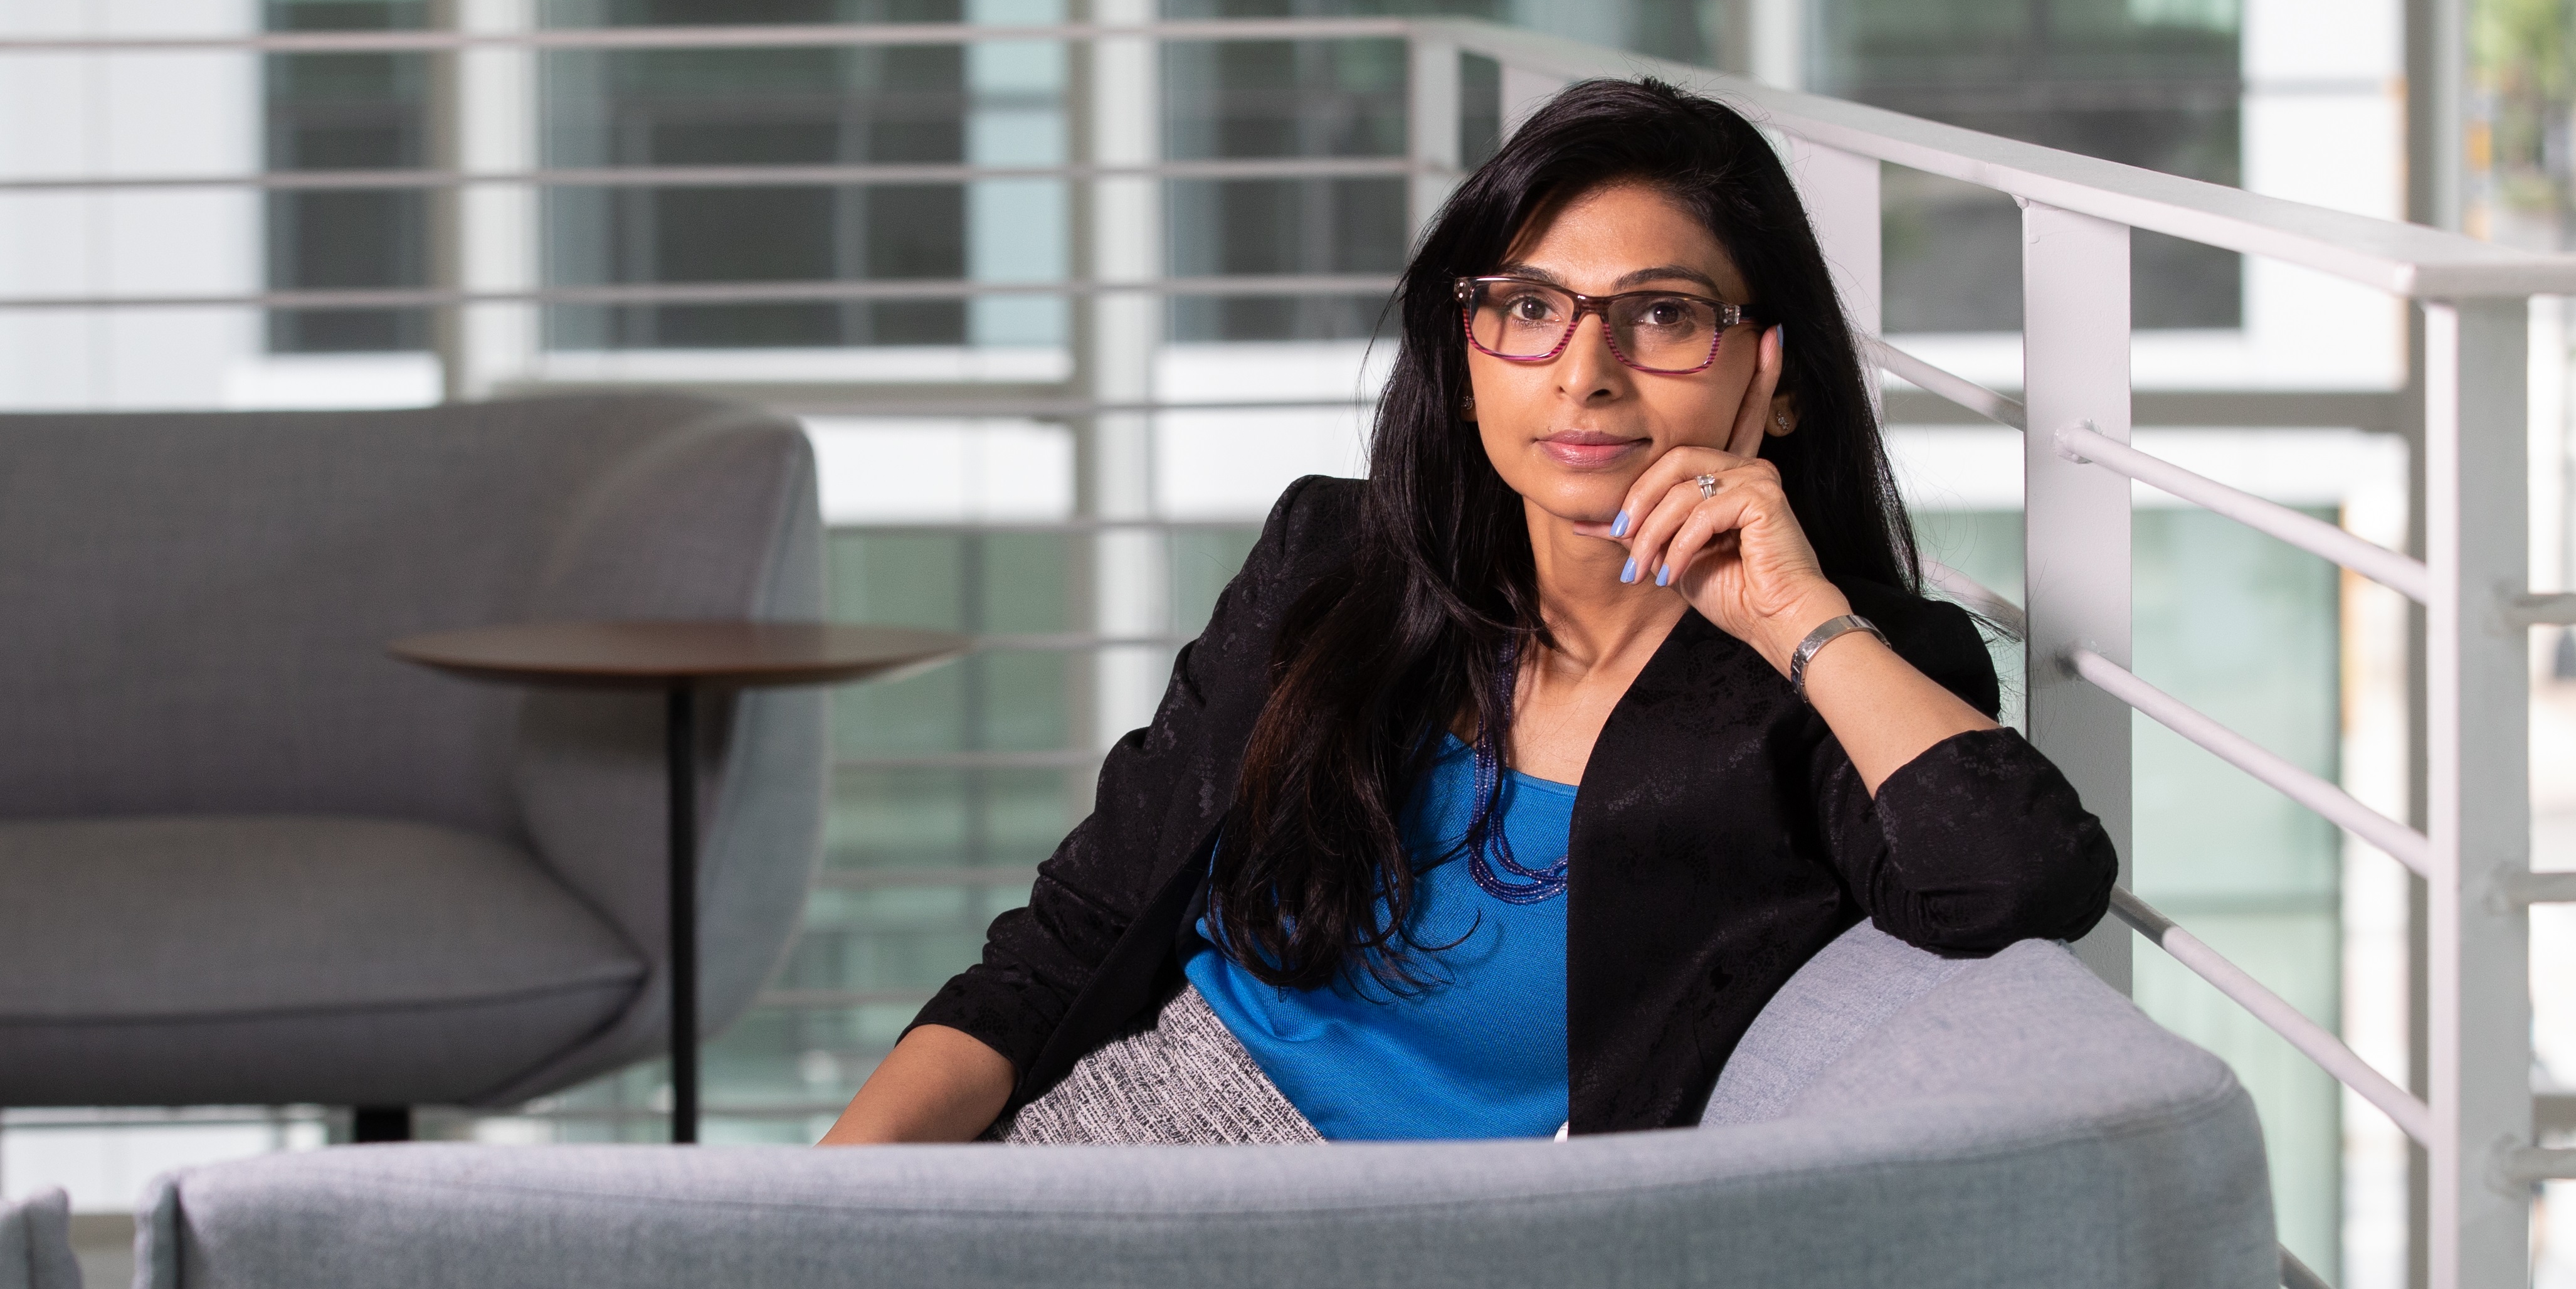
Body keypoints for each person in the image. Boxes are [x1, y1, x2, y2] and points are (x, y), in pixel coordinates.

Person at [820, 78, 2116, 1146]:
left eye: (1661, 314)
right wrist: (826, 1209)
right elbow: (1067, 941)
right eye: (1529, 309)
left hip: (1413, 1273)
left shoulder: (1834, 672)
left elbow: (2021, 877)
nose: (1584, 373)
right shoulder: (1327, 561)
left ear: (1773, 379)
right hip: (1100, 1148)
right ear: (1464, 361)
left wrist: (1793, 617)